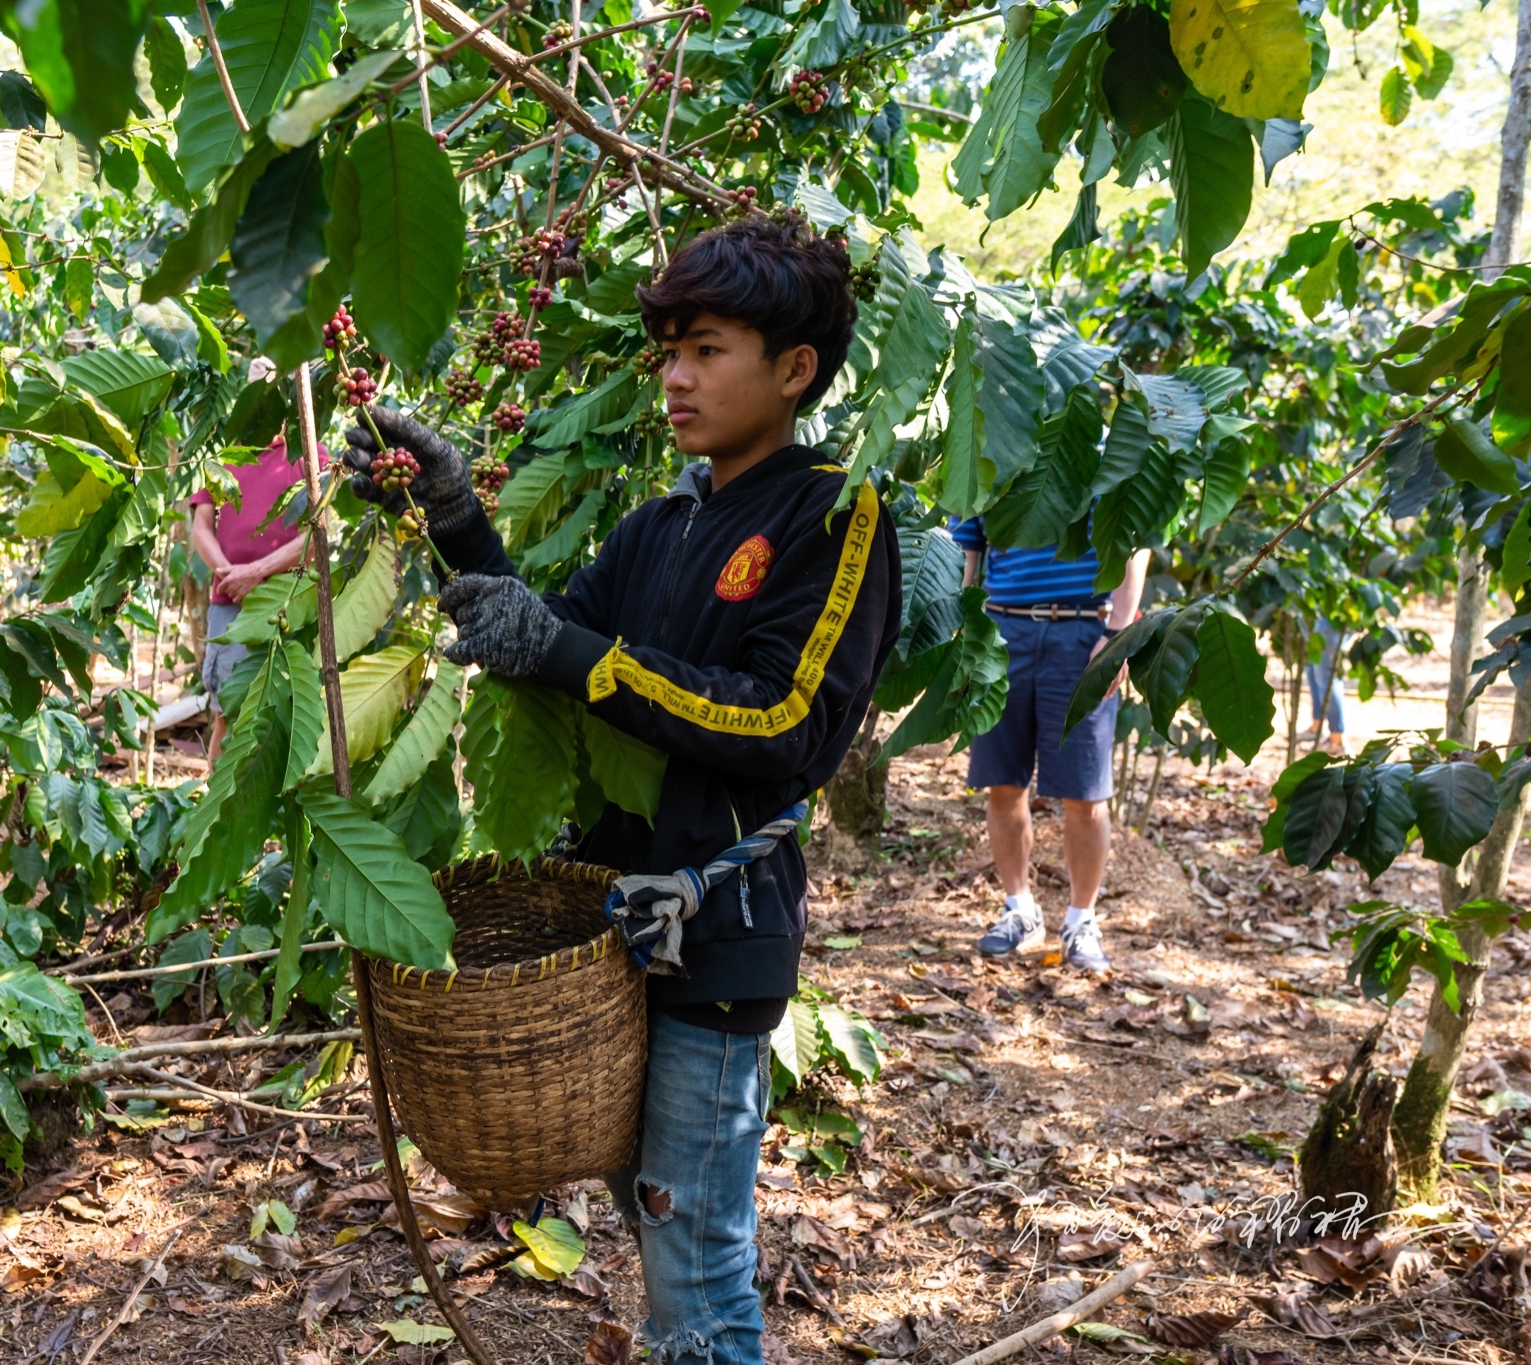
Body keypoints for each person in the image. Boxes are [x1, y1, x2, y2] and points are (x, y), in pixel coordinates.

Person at [341, 216, 901, 1365]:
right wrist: (450, 514)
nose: (676, 377)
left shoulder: (833, 515)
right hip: (608, 923)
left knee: (691, 1255)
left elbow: (785, 718)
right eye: (668, 351)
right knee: (653, 1223)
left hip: (718, 922)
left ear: (794, 371)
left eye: (706, 349)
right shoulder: (661, 523)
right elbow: (549, 640)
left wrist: (575, 655)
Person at [947, 517, 1148, 973]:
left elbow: (1138, 537)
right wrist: (962, 633)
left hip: (1083, 632)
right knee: (1003, 782)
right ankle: (1019, 908)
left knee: (1086, 792)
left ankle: (1082, 920)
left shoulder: (1107, 445)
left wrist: (1117, 634)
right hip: (1001, 631)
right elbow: (967, 546)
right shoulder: (990, 447)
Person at [188, 432, 311, 764]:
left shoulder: (310, 453)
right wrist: (230, 574)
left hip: (290, 605)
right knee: (230, 714)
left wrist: (257, 572)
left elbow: (316, 535)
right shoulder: (227, 455)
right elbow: (201, 527)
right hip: (232, 608)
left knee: (293, 717)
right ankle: (218, 811)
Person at [1306, 615, 1347, 754]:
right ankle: (1317, 728)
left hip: (1330, 621)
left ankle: (1337, 739)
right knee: (1313, 674)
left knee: (1327, 679)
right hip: (1319, 621)